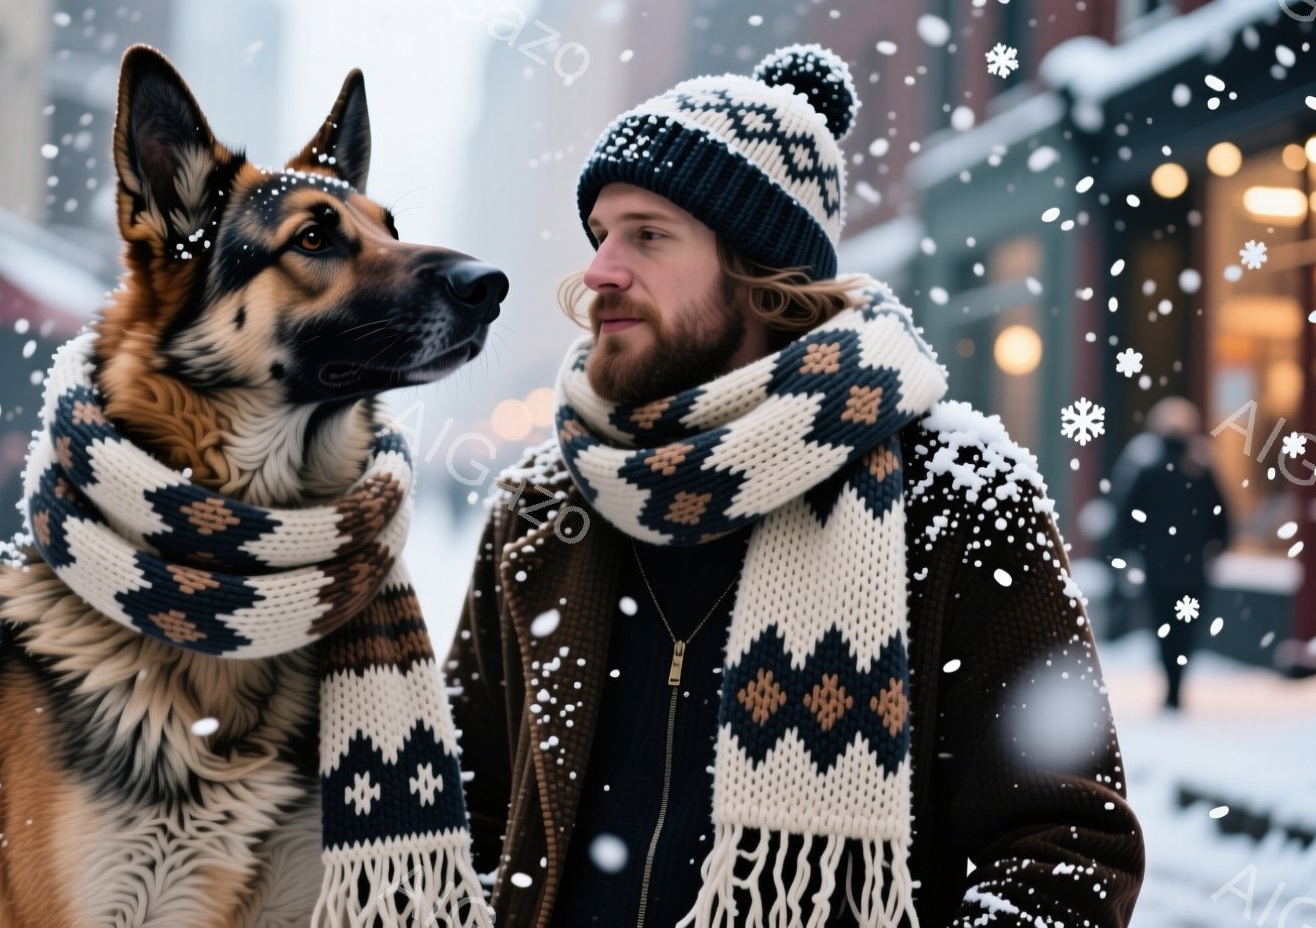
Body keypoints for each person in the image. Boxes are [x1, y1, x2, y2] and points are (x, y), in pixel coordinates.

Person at [443, 45, 1144, 927]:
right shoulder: (544, 510)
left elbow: (1067, 847)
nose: (599, 272)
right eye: (601, 235)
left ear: (763, 278)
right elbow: (457, 806)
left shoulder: (956, 495)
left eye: (648, 236)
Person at [1108, 396, 1231, 711]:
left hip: (1161, 567)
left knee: (1165, 626)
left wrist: (1132, 550)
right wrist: (1216, 546)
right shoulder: (1199, 467)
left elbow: (1128, 516)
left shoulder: (1151, 467)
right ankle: (1176, 682)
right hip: (1190, 569)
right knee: (1184, 628)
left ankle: (1172, 682)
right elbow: (1220, 516)